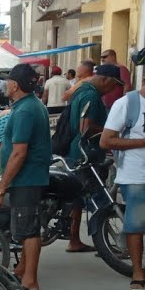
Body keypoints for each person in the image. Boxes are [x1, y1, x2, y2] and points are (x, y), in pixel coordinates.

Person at [0, 64, 51, 290]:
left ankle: (30, 281)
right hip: (30, 176)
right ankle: (22, 270)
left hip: (27, 177)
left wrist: (1, 187)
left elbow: (19, 153)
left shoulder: (26, 109)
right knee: (28, 227)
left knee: (29, 230)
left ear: (15, 85)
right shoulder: (30, 105)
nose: (5, 85)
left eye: (7, 81)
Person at [62, 65, 116, 252]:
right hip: (85, 154)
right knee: (101, 202)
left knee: (77, 200)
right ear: (105, 79)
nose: (113, 90)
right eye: (113, 85)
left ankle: (74, 239)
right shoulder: (91, 96)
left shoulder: (80, 91)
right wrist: (111, 130)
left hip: (78, 152)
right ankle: (107, 247)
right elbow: (85, 127)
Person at [100, 85, 145, 290]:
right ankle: (138, 272)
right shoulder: (127, 104)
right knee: (136, 225)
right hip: (136, 175)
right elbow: (106, 140)